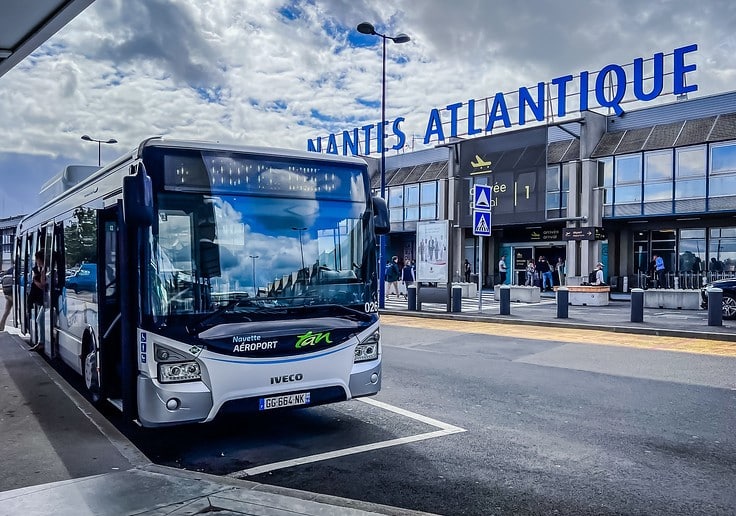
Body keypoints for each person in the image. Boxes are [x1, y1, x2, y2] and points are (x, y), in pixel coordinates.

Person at [29, 251, 46, 350]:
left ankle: (42, 342)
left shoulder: (44, 269)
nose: (36, 261)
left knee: (40, 319)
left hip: (48, 301)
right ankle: (41, 341)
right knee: (40, 319)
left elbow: (43, 286)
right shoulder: (42, 269)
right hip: (46, 300)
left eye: (37, 259)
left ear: (40, 259)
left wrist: (35, 281)